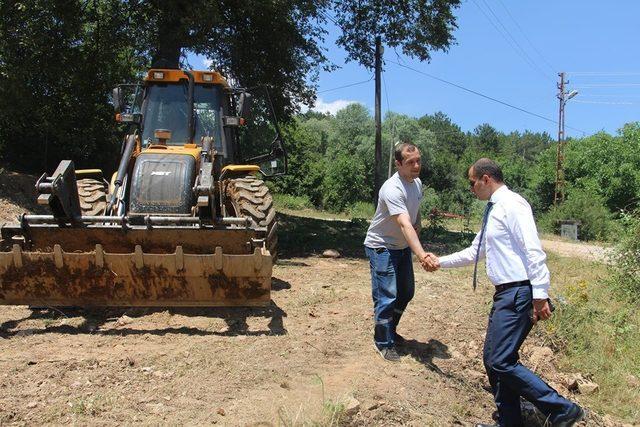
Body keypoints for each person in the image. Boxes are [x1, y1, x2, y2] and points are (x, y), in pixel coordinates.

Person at [424, 158, 584, 427]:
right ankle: (510, 422)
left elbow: (533, 250)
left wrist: (540, 294)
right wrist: (441, 262)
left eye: (472, 182)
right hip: (506, 294)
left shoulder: (512, 204)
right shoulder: (493, 209)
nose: (471, 188)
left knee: (500, 360)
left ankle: (561, 408)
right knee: (493, 359)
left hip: (519, 293)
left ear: (486, 179)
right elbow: (477, 251)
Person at [364, 143, 432, 362]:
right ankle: (382, 341)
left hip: (401, 246)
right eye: (410, 162)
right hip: (381, 246)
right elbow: (403, 223)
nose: (416, 165)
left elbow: (415, 212)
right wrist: (421, 254)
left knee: (406, 292)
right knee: (387, 295)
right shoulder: (392, 188)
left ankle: (390, 329)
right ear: (398, 164)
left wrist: (418, 224)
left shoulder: (417, 183)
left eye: (418, 160)